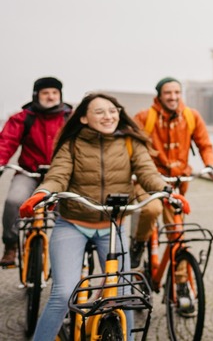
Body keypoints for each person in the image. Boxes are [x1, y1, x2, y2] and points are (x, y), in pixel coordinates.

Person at [19, 93, 170, 341]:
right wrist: (43, 193)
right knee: (63, 293)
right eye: (99, 112)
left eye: (112, 111)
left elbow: (147, 171)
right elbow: (57, 175)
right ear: (85, 119)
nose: (108, 116)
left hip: (113, 225)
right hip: (73, 224)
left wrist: (164, 190)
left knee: (121, 294)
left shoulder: (130, 142)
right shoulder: (72, 143)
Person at [130, 77, 213, 283]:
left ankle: (181, 284)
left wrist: (211, 165)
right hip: (149, 180)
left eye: (177, 93)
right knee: (152, 210)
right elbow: (134, 146)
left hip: (177, 184)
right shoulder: (145, 117)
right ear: (159, 96)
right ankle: (138, 244)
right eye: (168, 93)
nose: (173, 97)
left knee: (177, 234)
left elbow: (204, 145)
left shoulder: (191, 116)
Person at [0, 77, 71, 267]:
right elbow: (5, 143)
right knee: (14, 201)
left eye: (54, 93)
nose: (50, 97)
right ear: (36, 95)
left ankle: (67, 252)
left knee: (68, 211)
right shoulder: (24, 117)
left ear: (60, 95)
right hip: (28, 172)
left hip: (60, 175)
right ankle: (11, 244)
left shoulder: (69, 118)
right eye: (45, 93)